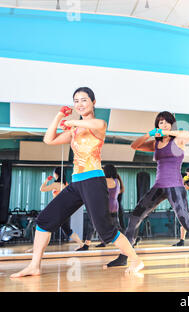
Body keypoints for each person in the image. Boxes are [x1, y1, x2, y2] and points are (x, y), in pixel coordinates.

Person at [10, 87, 143, 278]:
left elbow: (97, 124)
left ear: (93, 102)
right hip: (76, 183)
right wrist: (58, 116)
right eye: (76, 101)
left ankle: (136, 260)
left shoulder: (99, 125)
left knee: (105, 229)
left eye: (84, 100)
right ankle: (34, 266)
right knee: (44, 220)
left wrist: (71, 120)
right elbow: (49, 139)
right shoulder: (74, 130)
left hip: (93, 181)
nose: (79, 104)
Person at [106, 111, 189, 268]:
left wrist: (165, 132)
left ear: (171, 124)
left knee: (186, 221)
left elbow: (188, 134)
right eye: (160, 123)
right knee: (135, 217)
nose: (163, 125)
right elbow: (134, 146)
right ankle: (124, 256)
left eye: (166, 122)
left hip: (175, 186)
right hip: (158, 186)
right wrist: (148, 134)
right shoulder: (156, 144)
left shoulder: (178, 140)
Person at [26, 167, 84, 252]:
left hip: (57, 210)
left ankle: (36, 248)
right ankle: (81, 244)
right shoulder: (66, 184)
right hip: (64, 210)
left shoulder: (56, 184)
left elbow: (42, 189)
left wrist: (46, 181)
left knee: (45, 228)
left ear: (56, 174)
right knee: (66, 230)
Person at [77, 164, 123, 250]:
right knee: (116, 226)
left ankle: (86, 245)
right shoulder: (117, 180)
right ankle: (125, 241)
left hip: (105, 207)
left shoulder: (105, 180)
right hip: (114, 206)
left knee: (92, 224)